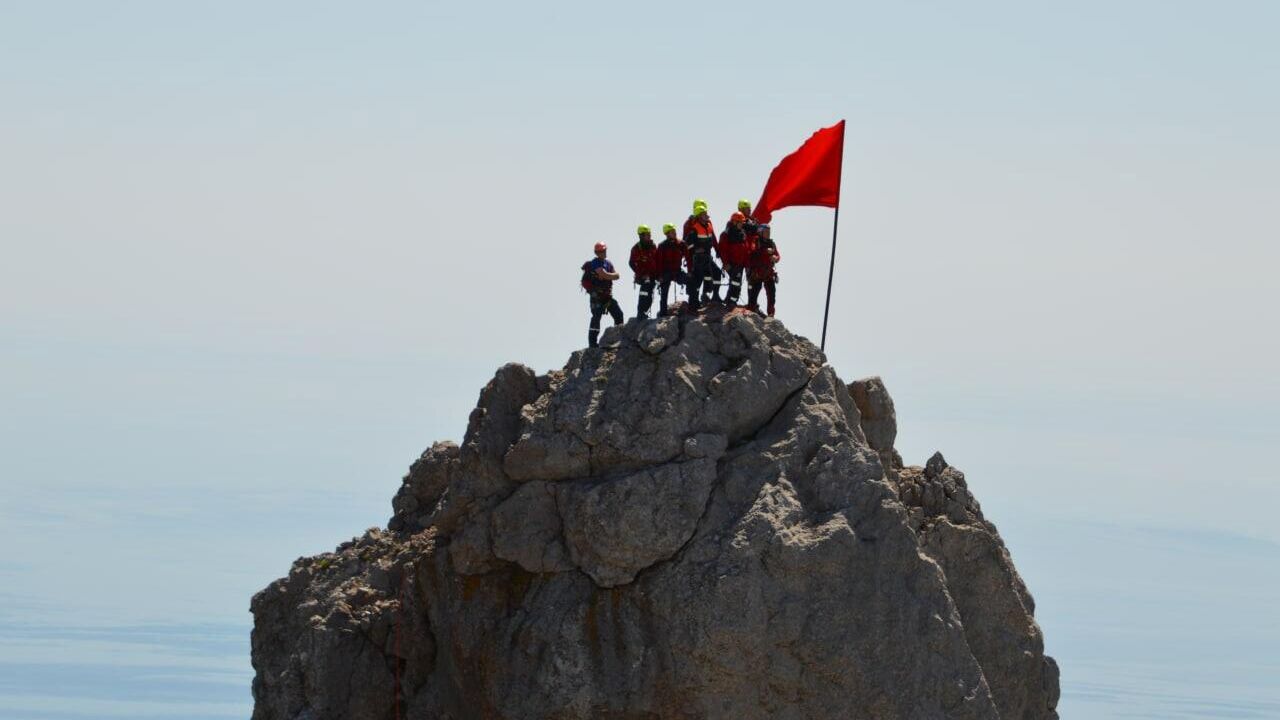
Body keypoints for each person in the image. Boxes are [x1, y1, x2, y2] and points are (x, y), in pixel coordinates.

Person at [581, 242, 624, 347]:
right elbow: (604, 274)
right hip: (597, 297)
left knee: (618, 314)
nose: (603, 252)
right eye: (600, 251)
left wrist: (608, 275)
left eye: (604, 250)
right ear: (596, 252)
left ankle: (617, 337)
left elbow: (617, 276)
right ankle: (592, 343)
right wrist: (608, 275)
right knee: (596, 317)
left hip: (606, 296)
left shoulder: (608, 263)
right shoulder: (595, 263)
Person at [683, 200, 720, 309]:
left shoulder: (708, 225)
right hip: (697, 258)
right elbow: (687, 243)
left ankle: (712, 296)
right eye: (704, 214)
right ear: (699, 215)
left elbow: (713, 239)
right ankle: (694, 302)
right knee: (697, 279)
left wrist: (718, 251)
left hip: (707, 257)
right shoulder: (693, 227)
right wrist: (695, 251)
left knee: (715, 273)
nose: (706, 216)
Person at [717, 212, 753, 305]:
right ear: (734, 222)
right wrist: (725, 264)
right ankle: (731, 302)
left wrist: (747, 265)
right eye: (740, 222)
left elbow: (746, 251)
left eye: (742, 222)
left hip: (740, 264)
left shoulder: (742, 234)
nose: (742, 224)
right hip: (731, 264)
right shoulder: (726, 235)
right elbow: (723, 251)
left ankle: (730, 301)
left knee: (737, 283)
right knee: (735, 283)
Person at [746, 224, 780, 317]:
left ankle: (771, 313)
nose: (768, 234)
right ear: (760, 232)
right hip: (757, 271)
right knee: (755, 291)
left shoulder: (771, 243)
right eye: (766, 232)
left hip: (768, 272)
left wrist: (775, 258)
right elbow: (753, 251)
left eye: (769, 232)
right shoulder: (756, 240)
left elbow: (778, 255)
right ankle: (751, 308)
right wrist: (766, 252)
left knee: (772, 293)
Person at [628, 225, 660, 318]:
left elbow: (657, 260)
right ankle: (640, 312)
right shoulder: (636, 248)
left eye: (649, 234)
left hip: (653, 275)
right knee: (644, 291)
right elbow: (631, 263)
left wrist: (658, 274)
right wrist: (641, 274)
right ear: (641, 236)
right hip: (643, 276)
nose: (649, 236)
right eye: (647, 234)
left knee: (649, 293)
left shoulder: (653, 246)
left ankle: (644, 312)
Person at [655, 223, 687, 315]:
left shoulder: (681, 244)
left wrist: (689, 271)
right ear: (667, 234)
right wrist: (660, 276)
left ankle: (693, 304)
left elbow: (688, 257)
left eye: (674, 231)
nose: (674, 233)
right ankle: (663, 313)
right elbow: (659, 262)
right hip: (666, 272)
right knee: (664, 293)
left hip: (677, 271)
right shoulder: (662, 246)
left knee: (690, 281)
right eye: (672, 231)